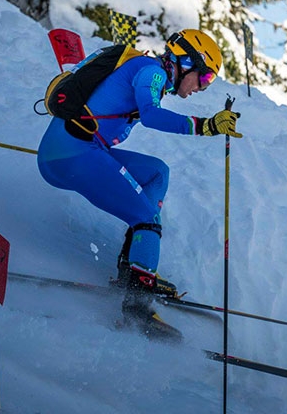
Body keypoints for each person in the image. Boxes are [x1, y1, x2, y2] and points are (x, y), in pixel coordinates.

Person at [36, 29, 241, 329]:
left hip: (78, 151)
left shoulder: (150, 72)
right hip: (71, 153)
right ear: (186, 63)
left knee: (157, 172)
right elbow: (151, 115)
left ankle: (132, 272)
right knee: (147, 218)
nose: (202, 87)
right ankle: (137, 307)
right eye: (205, 78)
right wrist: (206, 126)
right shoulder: (152, 71)